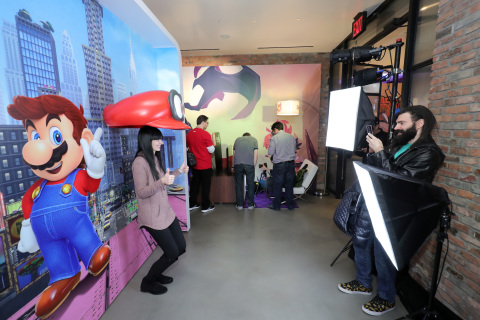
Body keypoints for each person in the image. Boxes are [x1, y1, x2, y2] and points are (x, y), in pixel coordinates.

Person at [8, 95, 111, 319]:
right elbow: (27, 202)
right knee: (55, 256)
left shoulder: (76, 177)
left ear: (82, 138)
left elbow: (91, 185)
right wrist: (28, 227)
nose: (42, 150)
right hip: (47, 238)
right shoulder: (38, 187)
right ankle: (63, 276)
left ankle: (92, 252)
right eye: (35, 136)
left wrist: (95, 168)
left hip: (75, 225)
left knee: (82, 234)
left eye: (56, 135)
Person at [338, 105, 445, 316]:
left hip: (396, 211)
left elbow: (399, 181)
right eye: (396, 123)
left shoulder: (429, 153)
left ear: (420, 123)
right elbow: (379, 169)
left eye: (402, 123)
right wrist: (372, 154)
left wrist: (380, 152)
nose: (396, 127)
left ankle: (386, 298)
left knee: (383, 253)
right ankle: (363, 282)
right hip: (375, 202)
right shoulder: (399, 144)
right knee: (361, 240)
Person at [132, 126, 188, 295]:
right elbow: (142, 192)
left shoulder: (154, 158)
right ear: (146, 140)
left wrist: (179, 171)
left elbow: (165, 180)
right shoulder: (139, 162)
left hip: (166, 213)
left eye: (161, 139)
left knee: (180, 248)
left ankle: (156, 274)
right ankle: (147, 282)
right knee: (171, 252)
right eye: (157, 139)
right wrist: (162, 182)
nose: (161, 143)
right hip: (152, 217)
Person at [186, 115, 215, 213]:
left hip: (194, 165)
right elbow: (211, 149)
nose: (207, 124)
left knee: (195, 184)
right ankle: (205, 206)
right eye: (207, 122)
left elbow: (189, 148)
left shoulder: (189, 134)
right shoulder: (205, 134)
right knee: (205, 186)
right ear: (203, 122)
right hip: (205, 164)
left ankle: (192, 203)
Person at [267, 121, 297, 210]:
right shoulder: (291, 137)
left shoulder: (274, 138)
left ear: (275, 129)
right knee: (289, 185)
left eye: (273, 131)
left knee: (278, 186)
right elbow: (294, 149)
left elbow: (270, 152)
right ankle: (290, 206)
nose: (273, 133)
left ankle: (276, 206)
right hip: (291, 164)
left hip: (279, 165)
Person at [232, 132, 258, 210]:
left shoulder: (237, 140)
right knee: (250, 184)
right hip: (249, 165)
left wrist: (232, 166)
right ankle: (250, 205)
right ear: (249, 136)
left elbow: (234, 154)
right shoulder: (254, 139)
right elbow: (255, 154)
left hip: (238, 164)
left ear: (243, 136)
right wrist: (253, 165)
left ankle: (239, 205)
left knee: (239, 184)